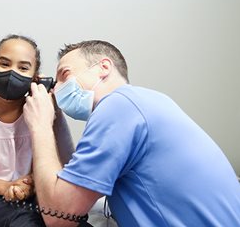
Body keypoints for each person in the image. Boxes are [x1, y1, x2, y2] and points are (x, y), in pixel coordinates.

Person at [23, 40, 240, 226]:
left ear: (103, 67)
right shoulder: (145, 101)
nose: (57, 88)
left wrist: (39, 125)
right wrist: (54, 121)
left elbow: (59, 216)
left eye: (64, 75)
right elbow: (79, 181)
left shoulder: (118, 107)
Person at [0, 34, 76, 227]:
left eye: (23, 68)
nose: (12, 72)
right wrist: (7, 187)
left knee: (67, 217)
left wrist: (29, 184)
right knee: (24, 220)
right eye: (4, 64)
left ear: (36, 78)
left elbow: (53, 161)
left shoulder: (39, 112)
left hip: (27, 191)